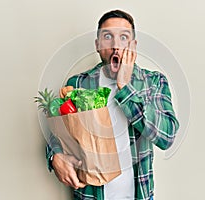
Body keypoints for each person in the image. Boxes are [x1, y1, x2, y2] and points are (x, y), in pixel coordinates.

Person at [46, 9, 180, 200]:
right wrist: (55, 156)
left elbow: (167, 137)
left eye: (123, 37)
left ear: (133, 46)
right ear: (98, 45)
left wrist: (124, 87)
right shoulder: (77, 84)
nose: (116, 45)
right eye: (107, 36)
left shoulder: (154, 82)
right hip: (90, 195)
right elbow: (59, 135)